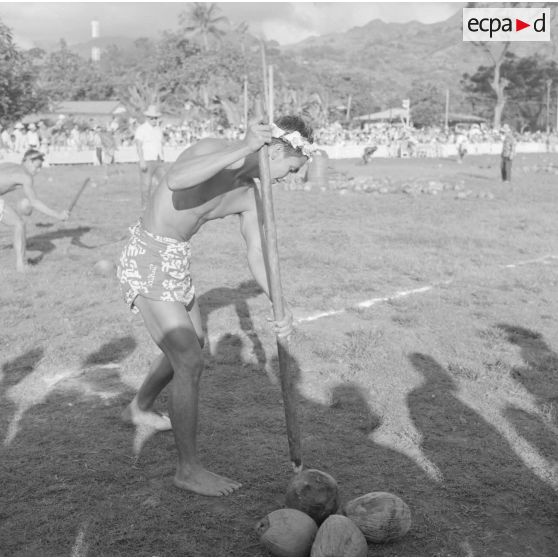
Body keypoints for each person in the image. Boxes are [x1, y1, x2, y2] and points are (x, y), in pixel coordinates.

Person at [117, 115, 314, 496]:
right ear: (273, 150)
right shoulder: (213, 150)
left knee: (195, 343)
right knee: (188, 360)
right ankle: (187, 470)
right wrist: (242, 147)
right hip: (147, 255)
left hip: (176, 258)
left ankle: (138, 407)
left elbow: (257, 253)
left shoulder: (255, 194)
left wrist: (280, 302)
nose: (288, 179)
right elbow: (176, 181)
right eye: (291, 169)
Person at [0, 149, 69, 272]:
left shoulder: (9, 165)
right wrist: (58, 215)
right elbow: (34, 202)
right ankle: (21, 266)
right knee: (18, 224)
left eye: (40, 167)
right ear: (27, 161)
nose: (38, 171)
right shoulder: (25, 176)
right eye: (37, 166)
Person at [135, 105, 164, 206]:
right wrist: (141, 160)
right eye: (152, 118)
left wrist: (162, 157)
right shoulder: (141, 129)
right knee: (146, 185)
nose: (154, 120)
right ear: (147, 118)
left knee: (164, 183)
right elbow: (138, 145)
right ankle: (145, 206)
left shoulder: (158, 129)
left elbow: (160, 145)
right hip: (147, 160)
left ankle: (161, 204)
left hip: (158, 160)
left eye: (156, 118)